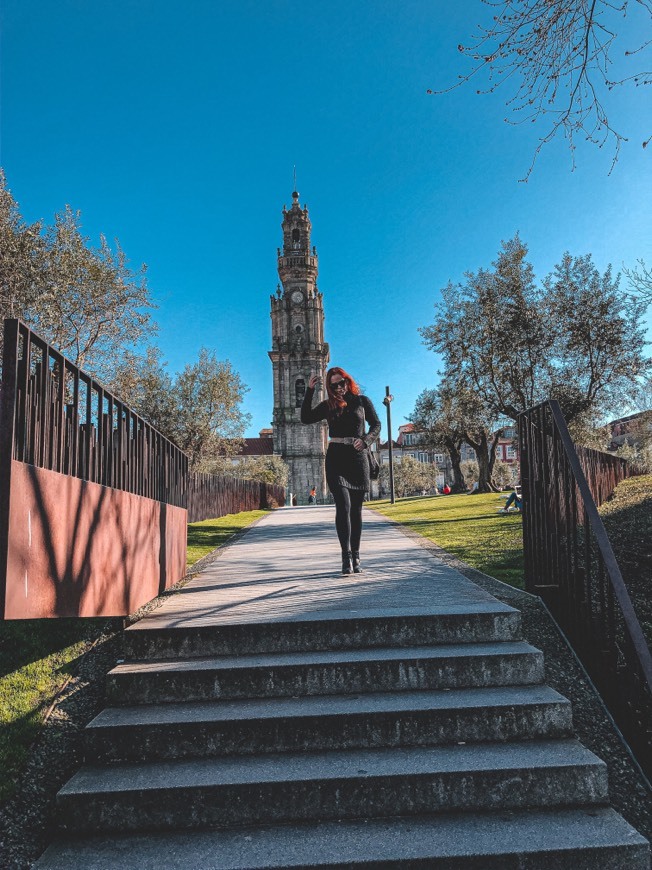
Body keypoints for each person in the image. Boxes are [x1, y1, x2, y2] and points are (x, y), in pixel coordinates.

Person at [301, 367, 381, 575]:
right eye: (333, 385)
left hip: (358, 459)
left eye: (341, 383)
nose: (338, 388)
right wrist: (310, 391)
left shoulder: (362, 402)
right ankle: (345, 557)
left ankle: (356, 555)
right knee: (343, 507)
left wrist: (365, 441)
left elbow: (376, 425)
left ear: (348, 381)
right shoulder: (328, 405)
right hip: (336, 458)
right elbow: (306, 417)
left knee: (356, 510)